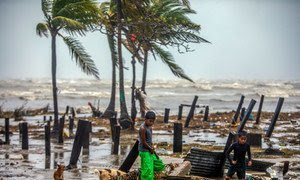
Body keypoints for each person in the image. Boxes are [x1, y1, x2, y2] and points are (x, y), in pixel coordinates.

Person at [138, 111, 161, 180]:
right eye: (150, 121)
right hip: (144, 151)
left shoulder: (150, 127)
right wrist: (150, 149)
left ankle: (150, 177)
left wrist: (152, 146)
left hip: (149, 149)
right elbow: (143, 142)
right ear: (145, 119)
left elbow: (150, 140)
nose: (151, 123)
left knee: (159, 164)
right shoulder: (143, 128)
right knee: (147, 170)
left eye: (153, 121)